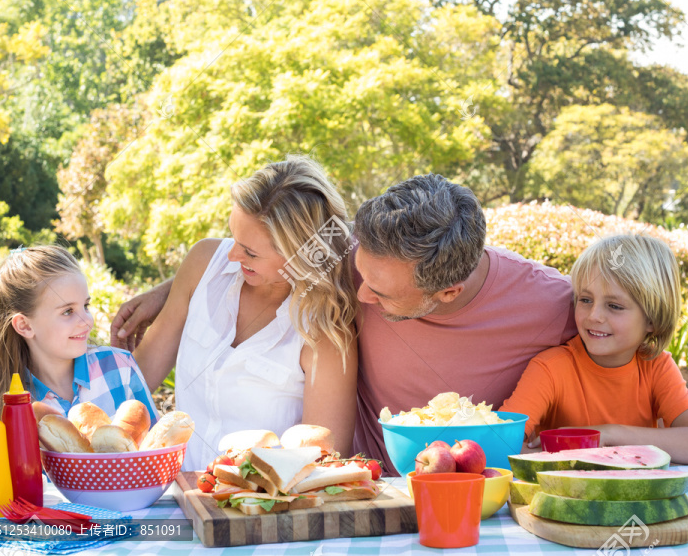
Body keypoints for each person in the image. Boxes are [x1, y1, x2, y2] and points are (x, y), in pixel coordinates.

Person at [114, 174, 575, 473]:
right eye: (358, 268)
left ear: (446, 291)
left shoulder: (548, 303)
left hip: (467, 485)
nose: (358, 295)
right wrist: (172, 291)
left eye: (381, 293)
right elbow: (265, 246)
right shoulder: (347, 254)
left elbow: (621, 331)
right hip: (375, 486)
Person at [129, 156, 359, 471]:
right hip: (176, 494)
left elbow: (326, 463)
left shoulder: (324, 334)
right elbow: (135, 385)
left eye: (250, 252)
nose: (232, 255)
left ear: (303, 254)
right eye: (234, 238)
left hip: (265, 510)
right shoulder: (203, 264)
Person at [501, 234, 688, 464]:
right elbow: (500, 443)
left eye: (614, 306)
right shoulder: (550, 368)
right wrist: (577, 456)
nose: (594, 316)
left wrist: (610, 434)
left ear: (652, 320)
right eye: (585, 300)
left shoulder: (657, 367)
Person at [0, 246, 159, 426]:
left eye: (86, 306)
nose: (86, 321)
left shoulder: (120, 367)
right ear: (25, 325)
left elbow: (159, 446)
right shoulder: (13, 405)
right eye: (68, 311)